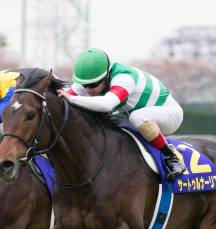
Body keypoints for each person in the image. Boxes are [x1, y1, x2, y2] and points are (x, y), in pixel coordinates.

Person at [57, 48, 186, 180]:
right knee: (109, 119)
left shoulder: (124, 78)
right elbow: (63, 97)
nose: (88, 90)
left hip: (170, 114)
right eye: (84, 85)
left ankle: (171, 157)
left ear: (107, 75)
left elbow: (106, 104)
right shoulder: (91, 78)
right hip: (135, 113)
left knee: (136, 118)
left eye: (93, 84)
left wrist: (72, 99)